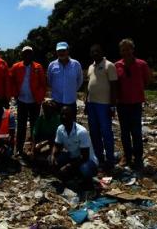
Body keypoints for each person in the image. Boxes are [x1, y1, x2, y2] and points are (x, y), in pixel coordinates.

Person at [115, 38, 151, 170]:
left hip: (136, 104)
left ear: (132, 49)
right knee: (124, 132)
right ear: (120, 51)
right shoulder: (117, 65)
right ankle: (127, 156)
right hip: (122, 104)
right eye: (123, 49)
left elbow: (147, 81)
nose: (126, 51)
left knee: (136, 132)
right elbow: (115, 84)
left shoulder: (142, 64)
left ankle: (138, 158)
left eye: (128, 49)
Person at [10, 46, 46, 156]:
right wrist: (15, 95)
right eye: (25, 53)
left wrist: (40, 98)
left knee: (34, 126)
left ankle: (33, 148)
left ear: (32, 55)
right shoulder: (16, 66)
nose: (27, 55)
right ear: (22, 55)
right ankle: (19, 149)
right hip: (21, 101)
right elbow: (12, 81)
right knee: (21, 126)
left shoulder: (38, 67)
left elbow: (43, 84)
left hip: (34, 101)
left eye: (29, 53)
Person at [86, 44, 118, 172]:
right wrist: (86, 102)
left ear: (102, 52)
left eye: (97, 51)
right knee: (94, 132)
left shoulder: (109, 65)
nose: (95, 54)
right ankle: (99, 158)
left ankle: (110, 160)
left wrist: (113, 105)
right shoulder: (90, 66)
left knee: (106, 132)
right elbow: (89, 85)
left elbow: (114, 86)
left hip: (104, 104)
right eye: (92, 52)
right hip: (91, 104)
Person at [49, 106, 98, 186]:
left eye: (66, 115)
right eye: (62, 115)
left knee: (84, 169)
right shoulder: (60, 129)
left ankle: (88, 184)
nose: (64, 117)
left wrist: (68, 166)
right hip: (73, 158)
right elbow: (57, 145)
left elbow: (84, 157)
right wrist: (53, 155)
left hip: (88, 161)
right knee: (51, 160)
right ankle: (71, 177)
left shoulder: (81, 132)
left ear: (72, 117)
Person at [47, 42, 83, 120]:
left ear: (68, 51)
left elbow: (80, 80)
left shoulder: (76, 64)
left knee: (71, 126)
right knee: (56, 126)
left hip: (71, 102)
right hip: (56, 102)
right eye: (59, 51)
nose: (61, 53)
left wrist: (72, 90)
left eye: (63, 50)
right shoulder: (52, 65)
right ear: (56, 52)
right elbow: (49, 81)